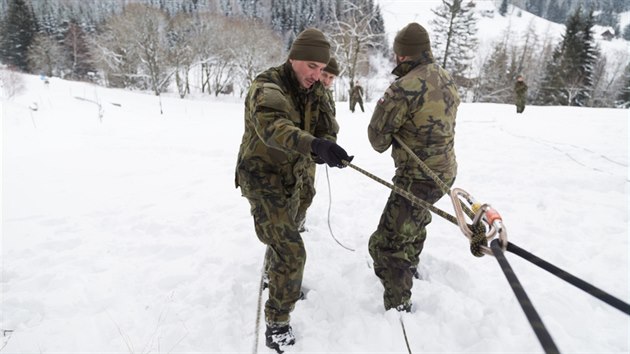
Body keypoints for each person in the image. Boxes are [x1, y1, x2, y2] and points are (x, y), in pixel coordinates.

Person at [234, 29, 352, 351]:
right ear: (293, 57)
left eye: (321, 69)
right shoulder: (267, 86)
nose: (317, 75)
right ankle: (278, 322)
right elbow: (275, 130)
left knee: (293, 222)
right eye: (311, 66)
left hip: (294, 175)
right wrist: (314, 144)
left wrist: (329, 145)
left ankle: (277, 277)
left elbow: (327, 126)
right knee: (292, 250)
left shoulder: (316, 88)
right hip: (261, 178)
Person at [367, 22, 460, 312]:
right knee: (416, 220)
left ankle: (398, 306)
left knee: (386, 244)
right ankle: (411, 267)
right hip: (444, 172)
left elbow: (377, 140)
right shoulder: (446, 78)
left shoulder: (403, 89)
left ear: (402, 56)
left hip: (417, 177)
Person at [296, 57, 340, 233]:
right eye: (325, 75)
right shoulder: (307, 91)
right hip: (300, 150)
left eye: (331, 78)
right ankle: (292, 231)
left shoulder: (326, 95)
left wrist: (329, 146)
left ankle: (298, 225)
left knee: (307, 193)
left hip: (314, 153)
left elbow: (328, 124)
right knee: (295, 193)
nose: (327, 80)